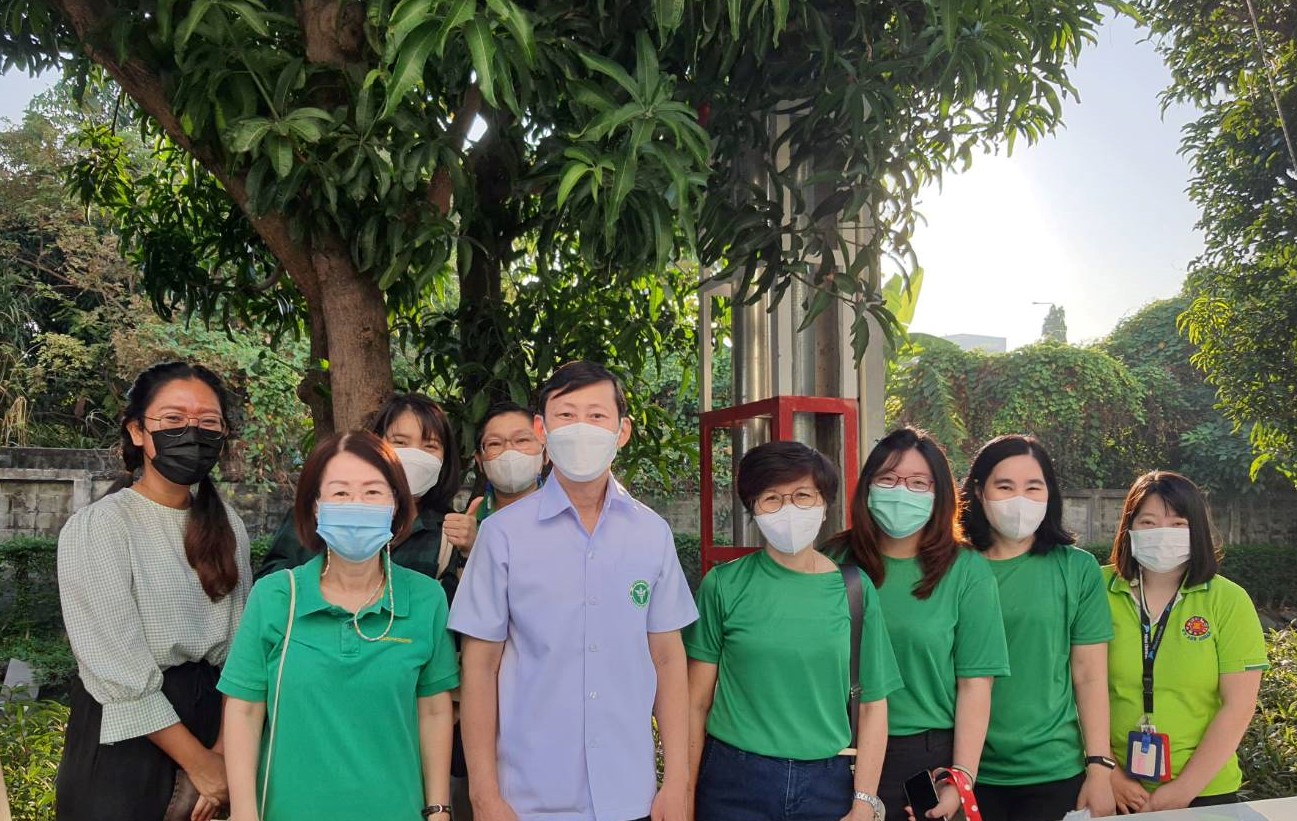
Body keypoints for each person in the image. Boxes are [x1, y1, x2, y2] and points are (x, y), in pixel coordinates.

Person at [450, 361, 697, 821]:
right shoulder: (502, 535)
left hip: (629, 794)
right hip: (528, 798)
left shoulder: (651, 534)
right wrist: (484, 795)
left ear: (622, 432)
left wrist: (676, 783)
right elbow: (480, 666)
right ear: (541, 429)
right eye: (566, 415)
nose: (581, 427)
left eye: (597, 415)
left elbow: (667, 659)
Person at [219, 430, 459, 820]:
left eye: (373, 492)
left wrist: (439, 809)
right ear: (315, 506)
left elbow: (433, 711)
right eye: (341, 492)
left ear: (396, 504)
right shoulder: (277, 597)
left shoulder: (426, 598)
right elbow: (244, 710)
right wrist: (244, 812)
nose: (357, 505)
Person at [56, 362, 252, 821]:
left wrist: (223, 753)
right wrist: (200, 765)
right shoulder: (101, 526)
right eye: (173, 419)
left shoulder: (229, 525)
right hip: (128, 741)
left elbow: (243, 651)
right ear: (138, 432)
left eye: (208, 422)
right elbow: (116, 665)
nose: (192, 432)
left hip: (214, 724)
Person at [686, 440, 901, 821]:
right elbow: (695, 702)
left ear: (824, 504)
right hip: (734, 782)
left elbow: (873, 705)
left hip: (827, 784)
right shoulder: (723, 585)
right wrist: (684, 792)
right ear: (753, 508)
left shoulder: (854, 589)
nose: (788, 509)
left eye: (803, 495)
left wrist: (864, 801)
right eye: (772, 498)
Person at [825, 428, 1009, 820]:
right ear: (867, 487)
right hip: (836, 749)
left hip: (922, 762)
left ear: (939, 493)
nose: (900, 492)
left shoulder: (966, 571)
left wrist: (961, 778)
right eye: (888, 479)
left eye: (918, 483)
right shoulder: (833, 559)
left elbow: (975, 684)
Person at [959, 434, 1116, 821]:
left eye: (1033, 487)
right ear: (978, 491)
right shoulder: (952, 567)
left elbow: (1089, 674)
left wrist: (1099, 766)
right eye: (1004, 486)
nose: (1020, 499)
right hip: (964, 771)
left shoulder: (1077, 568)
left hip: (1054, 771)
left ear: (1050, 494)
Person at [1104, 471, 1268, 813]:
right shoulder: (1096, 589)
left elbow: (1238, 705)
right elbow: (1071, 688)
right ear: (1128, 529)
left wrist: (1182, 790)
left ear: (1198, 530)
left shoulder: (1228, 600)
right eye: (1148, 522)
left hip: (1205, 791)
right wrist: (1109, 772)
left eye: (1178, 524)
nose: (1163, 533)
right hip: (1111, 789)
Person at [256, 394, 470, 598]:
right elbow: (272, 588)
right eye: (400, 442)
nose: (415, 455)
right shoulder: (322, 510)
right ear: (376, 443)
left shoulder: (449, 532)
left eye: (430, 446)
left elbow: (455, 611)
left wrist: (469, 553)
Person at [450, 401, 546, 821]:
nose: (509, 453)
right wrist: (469, 552)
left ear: (544, 449)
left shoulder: (577, 523)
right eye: (495, 444)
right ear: (480, 459)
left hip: (543, 718)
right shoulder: (460, 524)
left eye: (522, 440)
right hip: (471, 715)